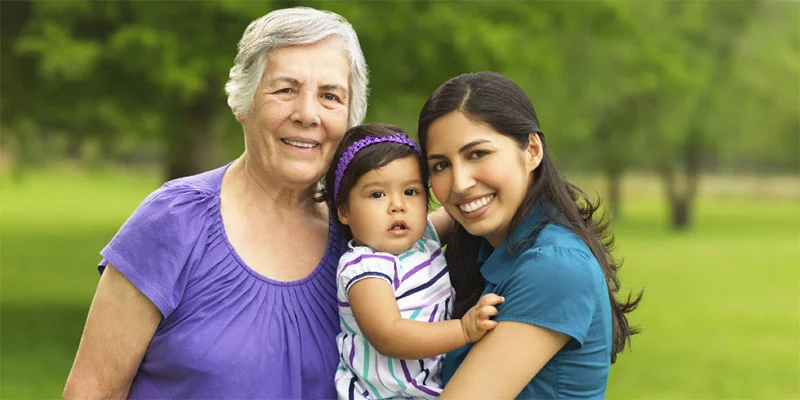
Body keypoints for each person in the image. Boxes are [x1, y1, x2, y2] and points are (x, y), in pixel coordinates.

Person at [63, 7, 371, 399]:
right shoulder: (173, 220)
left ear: (349, 117)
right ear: (244, 102)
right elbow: (93, 391)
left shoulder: (359, 233)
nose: (308, 114)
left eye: (330, 96)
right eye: (285, 89)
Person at [417, 71, 642, 399]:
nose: (460, 182)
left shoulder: (553, 265)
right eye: (440, 166)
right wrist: (456, 210)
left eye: (477, 154)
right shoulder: (487, 247)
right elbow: (393, 236)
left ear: (532, 150)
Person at [322, 123, 503, 400]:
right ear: (344, 211)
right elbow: (389, 335)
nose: (398, 205)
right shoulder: (364, 267)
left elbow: (457, 209)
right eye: (377, 194)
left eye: (411, 192)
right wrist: (463, 330)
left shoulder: (420, 237)